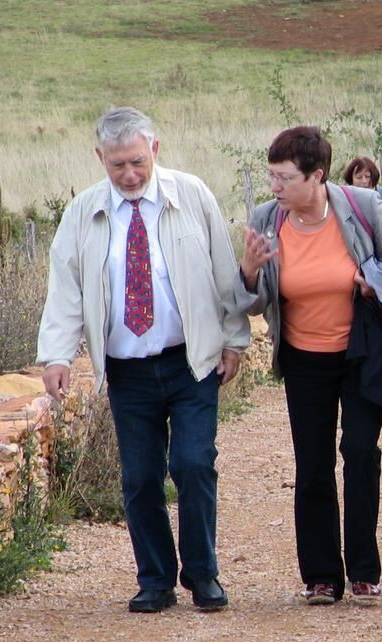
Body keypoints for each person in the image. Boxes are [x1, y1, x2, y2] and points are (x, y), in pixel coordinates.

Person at [38, 106, 249, 613]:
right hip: (127, 370)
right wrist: (56, 355)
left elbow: (225, 271)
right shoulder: (83, 213)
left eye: (137, 161)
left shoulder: (192, 194)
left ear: (154, 149)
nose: (130, 175)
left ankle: (203, 575)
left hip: (190, 360)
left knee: (194, 464)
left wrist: (234, 338)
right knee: (139, 477)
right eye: (118, 166)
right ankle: (155, 579)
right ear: (100, 159)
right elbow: (67, 290)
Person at [236, 126, 382, 606]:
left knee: (360, 450)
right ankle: (321, 576)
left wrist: (375, 282)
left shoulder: (364, 208)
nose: (275, 187)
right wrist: (249, 272)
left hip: (360, 353)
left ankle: (363, 570)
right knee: (312, 464)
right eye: (271, 176)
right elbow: (250, 303)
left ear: (318, 177)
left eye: (285, 178)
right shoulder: (266, 220)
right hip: (302, 358)